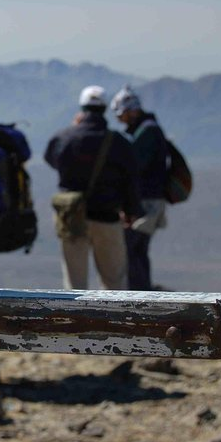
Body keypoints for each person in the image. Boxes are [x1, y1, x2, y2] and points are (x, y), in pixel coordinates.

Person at [45, 85, 143, 290]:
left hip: (71, 218)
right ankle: (112, 321)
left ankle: (76, 320)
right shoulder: (118, 143)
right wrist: (132, 210)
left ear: (82, 107)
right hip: (107, 217)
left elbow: (51, 158)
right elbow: (130, 179)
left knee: (74, 284)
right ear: (105, 108)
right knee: (114, 281)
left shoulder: (64, 137)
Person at [111, 85, 168, 291]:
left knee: (131, 248)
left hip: (147, 201)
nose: (120, 119)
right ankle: (141, 291)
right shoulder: (147, 130)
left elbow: (135, 167)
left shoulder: (147, 133)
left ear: (132, 111)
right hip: (149, 199)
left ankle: (139, 295)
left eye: (122, 114)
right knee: (137, 249)